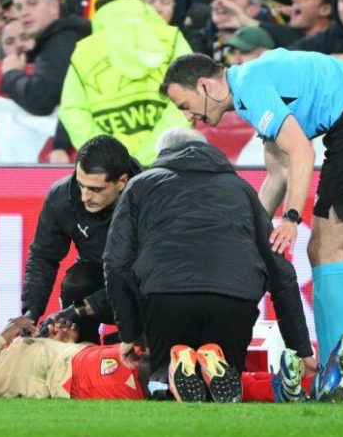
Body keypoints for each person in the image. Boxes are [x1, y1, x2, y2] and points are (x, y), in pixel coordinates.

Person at [160, 51, 343, 401]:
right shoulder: (256, 84)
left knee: (323, 249)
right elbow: (278, 173)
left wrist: (291, 218)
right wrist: (247, 234)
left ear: (205, 84)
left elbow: (302, 154)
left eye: (185, 104)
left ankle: (330, 379)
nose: (189, 118)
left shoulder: (248, 88)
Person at [103, 128, 319, 402]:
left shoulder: (141, 185)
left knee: (162, 386)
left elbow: (115, 263)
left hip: (167, 299)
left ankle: (169, 373)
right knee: (225, 389)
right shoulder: (241, 189)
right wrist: (300, 348)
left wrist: (131, 332)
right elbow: (281, 273)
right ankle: (215, 365)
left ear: (162, 154)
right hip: (233, 301)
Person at [0, 305, 316, 403]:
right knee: (154, 370)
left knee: (168, 370)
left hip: (82, 361)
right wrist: (4, 337)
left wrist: (65, 340)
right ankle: (289, 386)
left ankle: (293, 384)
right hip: (75, 378)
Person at [21, 136, 140, 345]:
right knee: (77, 282)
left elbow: (148, 273)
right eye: (80, 184)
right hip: (100, 280)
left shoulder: (150, 198)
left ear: (121, 182)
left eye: (95, 189)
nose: (84, 196)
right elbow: (43, 257)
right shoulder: (61, 197)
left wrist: (84, 307)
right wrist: (30, 313)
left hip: (144, 286)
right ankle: (83, 355)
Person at [58, 0, 192, 167]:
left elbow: (73, 110)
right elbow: (189, 93)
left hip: (110, 171)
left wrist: (108, 156)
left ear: (99, 14)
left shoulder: (84, 52)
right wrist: (154, 150)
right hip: (169, 163)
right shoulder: (172, 38)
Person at [0, 0, 91, 116]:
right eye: (19, 7)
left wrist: (11, 74)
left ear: (53, 6)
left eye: (32, 3)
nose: (24, 12)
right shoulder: (57, 38)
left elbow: (41, 99)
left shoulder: (62, 40)